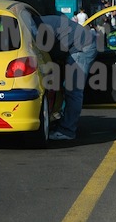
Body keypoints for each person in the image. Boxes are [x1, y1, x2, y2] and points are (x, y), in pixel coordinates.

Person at [39, 13, 98, 141]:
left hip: (81, 48)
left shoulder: (39, 28)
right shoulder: (39, 22)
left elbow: (43, 51)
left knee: (73, 90)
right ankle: (64, 121)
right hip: (79, 45)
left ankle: (67, 131)